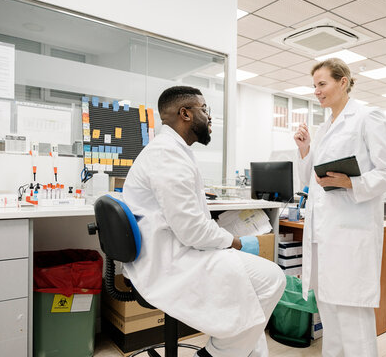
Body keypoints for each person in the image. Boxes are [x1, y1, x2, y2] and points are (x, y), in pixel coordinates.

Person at [122, 86, 286, 357]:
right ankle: (212, 355)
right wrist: (234, 242)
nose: (209, 117)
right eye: (205, 109)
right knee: (272, 279)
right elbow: (192, 230)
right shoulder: (167, 155)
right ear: (185, 114)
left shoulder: (172, 150)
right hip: (170, 260)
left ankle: (239, 352)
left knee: (251, 295)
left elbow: (189, 221)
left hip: (173, 249)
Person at [293, 58, 386, 357]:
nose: (317, 91)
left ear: (343, 82)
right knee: (330, 315)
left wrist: (351, 183)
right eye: (314, 85)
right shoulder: (325, 126)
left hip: (351, 233)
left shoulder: (368, 117)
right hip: (324, 234)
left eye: (322, 84)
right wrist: (305, 150)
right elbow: (313, 181)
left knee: (353, 320)